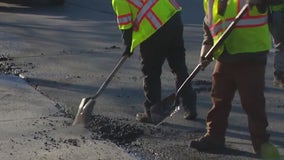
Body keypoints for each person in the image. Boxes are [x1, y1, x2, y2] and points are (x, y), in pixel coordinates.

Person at [190, 0, 279, 157]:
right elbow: (209, 24)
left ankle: (261, 143)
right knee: (219, 98)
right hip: (225, 55)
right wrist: (205, 48)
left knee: (252, 102)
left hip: (251, 53)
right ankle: (214, 136)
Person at [111, 0, 197, 123]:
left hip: (153, 28)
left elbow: (125, 22)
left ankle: (152, 112)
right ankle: (190, 106)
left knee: (151, 72)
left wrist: (127, 45)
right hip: (174, 18)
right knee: (179, 67)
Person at [268, 0, 284, 87]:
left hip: (276, 11)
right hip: (276, 10)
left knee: (280, 44)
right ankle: (279, 74)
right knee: (280, 43)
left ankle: (279, 74)